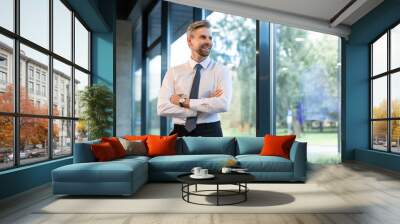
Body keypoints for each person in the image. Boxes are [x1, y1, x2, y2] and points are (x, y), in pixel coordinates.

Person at [157, 20, 232, 137]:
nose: (208, 42)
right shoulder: (174, 72)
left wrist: (183, 102)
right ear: (190, 41)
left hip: (211, 132)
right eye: (203, 37)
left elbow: (223, 104)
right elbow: (162, 108)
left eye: (210, 38)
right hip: (179, 132)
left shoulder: (221, 71)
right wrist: (205, 105)